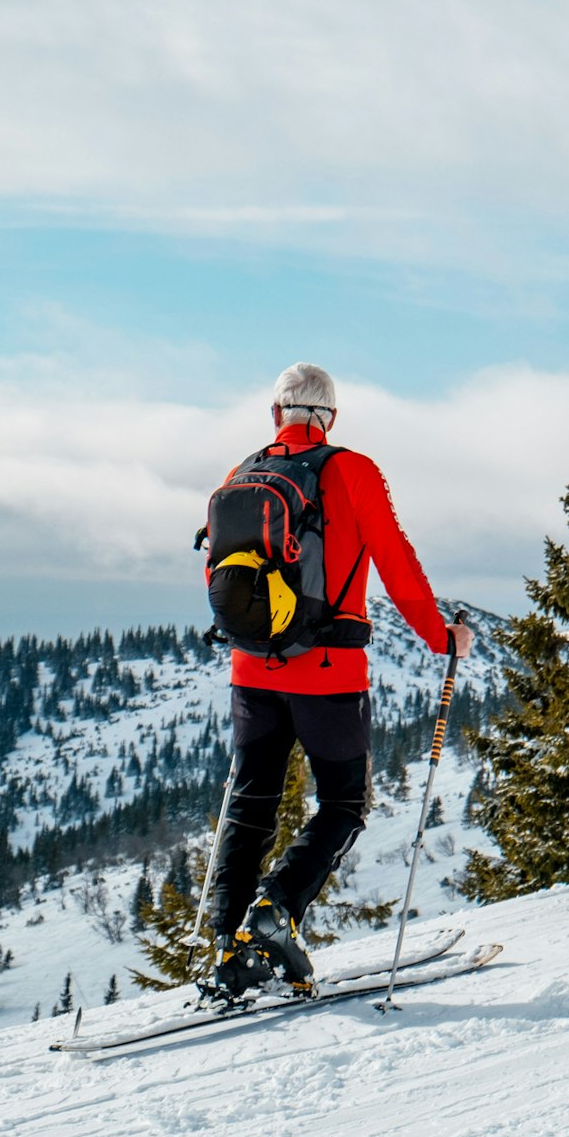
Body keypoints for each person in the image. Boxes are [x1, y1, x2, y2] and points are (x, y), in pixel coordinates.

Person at [206, 362, 472, 996]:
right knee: (344, 803)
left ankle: (225, 942)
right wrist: (442, 638)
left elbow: (219, 578)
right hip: (327, 672)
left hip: (251, 669)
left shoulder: (238, 475)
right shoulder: (352, 470)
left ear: (276, 414)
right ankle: (274, 913)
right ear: (329, 418)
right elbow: (397, 562)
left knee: (250, 804)